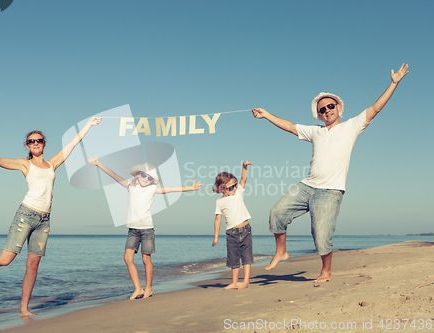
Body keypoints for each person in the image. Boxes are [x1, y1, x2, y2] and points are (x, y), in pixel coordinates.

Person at [252, 64, 409, 283]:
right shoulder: (315, 131)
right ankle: (281, 252)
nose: (326, 111)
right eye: (322, 109)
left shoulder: (351, 126)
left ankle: (326, 271)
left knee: (321, 236)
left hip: (331, 191)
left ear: (338, 107)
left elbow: (375, 108)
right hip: (307, 185)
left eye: (330, 106)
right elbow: (289, 126)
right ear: (318, 114)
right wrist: (266, 114)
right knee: (276, 213)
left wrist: (393, 83)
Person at [0, 117, 102, 316]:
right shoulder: (25, 164)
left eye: (39, 140)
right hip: (26, 215)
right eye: (31, 141)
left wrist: (89, 125)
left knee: (33, 265)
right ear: (27, 145)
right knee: (6, 259)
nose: (35, 143)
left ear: (44, 144)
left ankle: (24, 309)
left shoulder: (52, 164)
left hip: (44, 221)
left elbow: (73, 143)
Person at [88, 157, 202, 299]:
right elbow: (114, 175)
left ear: (152, 181)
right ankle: (138, 288)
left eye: (149, 178)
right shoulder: (130, 185)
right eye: (144, 175)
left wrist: (191, 188)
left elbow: (171, 189)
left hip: (147, 229)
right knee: (127, 258)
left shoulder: (152, 189)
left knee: (146, 260)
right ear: (138, 174)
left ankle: (148, 288)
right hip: (133, 230)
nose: (146, 179)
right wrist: (98, 164)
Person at [212, 161, 254, 290]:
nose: (234, 189)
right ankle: (234, 282)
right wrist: (216, 237)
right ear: (222, 189)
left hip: (245, 229)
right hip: (231, 233)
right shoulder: (219, 202)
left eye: (235, 185)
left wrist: (244, 167)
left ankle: (245, 282)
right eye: (231, 187)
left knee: (246, 258)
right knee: (233, 259)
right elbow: (217, 219)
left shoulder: (238, 193)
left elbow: (244, 178)